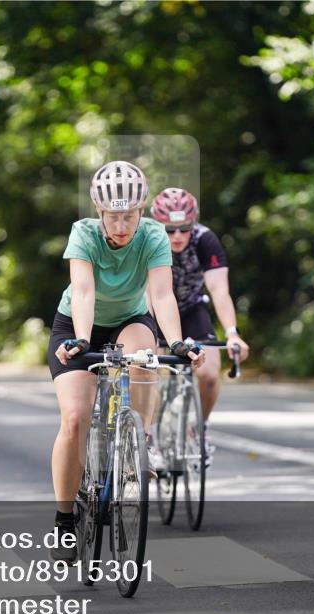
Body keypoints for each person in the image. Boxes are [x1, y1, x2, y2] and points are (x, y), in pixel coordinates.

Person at [48, 161, 204, 563]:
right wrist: (81, 340)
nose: (121, 225)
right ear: (99, 213)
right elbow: (83, 291)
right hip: (77, 326)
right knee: (75, 420)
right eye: (113, 217)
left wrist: (178, 341)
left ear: (142, 212)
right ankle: (65, 518)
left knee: (146, 357)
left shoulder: (152, 234)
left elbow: (162, 294)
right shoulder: (83, 234)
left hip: (129, 320)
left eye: (129, 216)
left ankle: (139, 444)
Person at [149, 187, 250, 468]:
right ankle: (149, 437)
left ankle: (199, 428)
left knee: (208, 375)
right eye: (170, 230)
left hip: (192, 309)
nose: (178, 236)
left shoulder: (205, 239)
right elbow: (146, 293)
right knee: (148, 372)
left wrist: (232, 333)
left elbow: (219, 290)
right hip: (153, 309)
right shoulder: (145, 240)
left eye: (184, 228)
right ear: (158, 226)